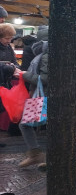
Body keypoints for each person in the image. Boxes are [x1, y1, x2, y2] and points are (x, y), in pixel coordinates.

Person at [17, 41, 48, 169]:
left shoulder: (46, 56)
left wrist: (24, 74)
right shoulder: (45, 55)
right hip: (44, 96)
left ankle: (37, 154)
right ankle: (37, 154)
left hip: (45, 96)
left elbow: (45, 79)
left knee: (25, 124)